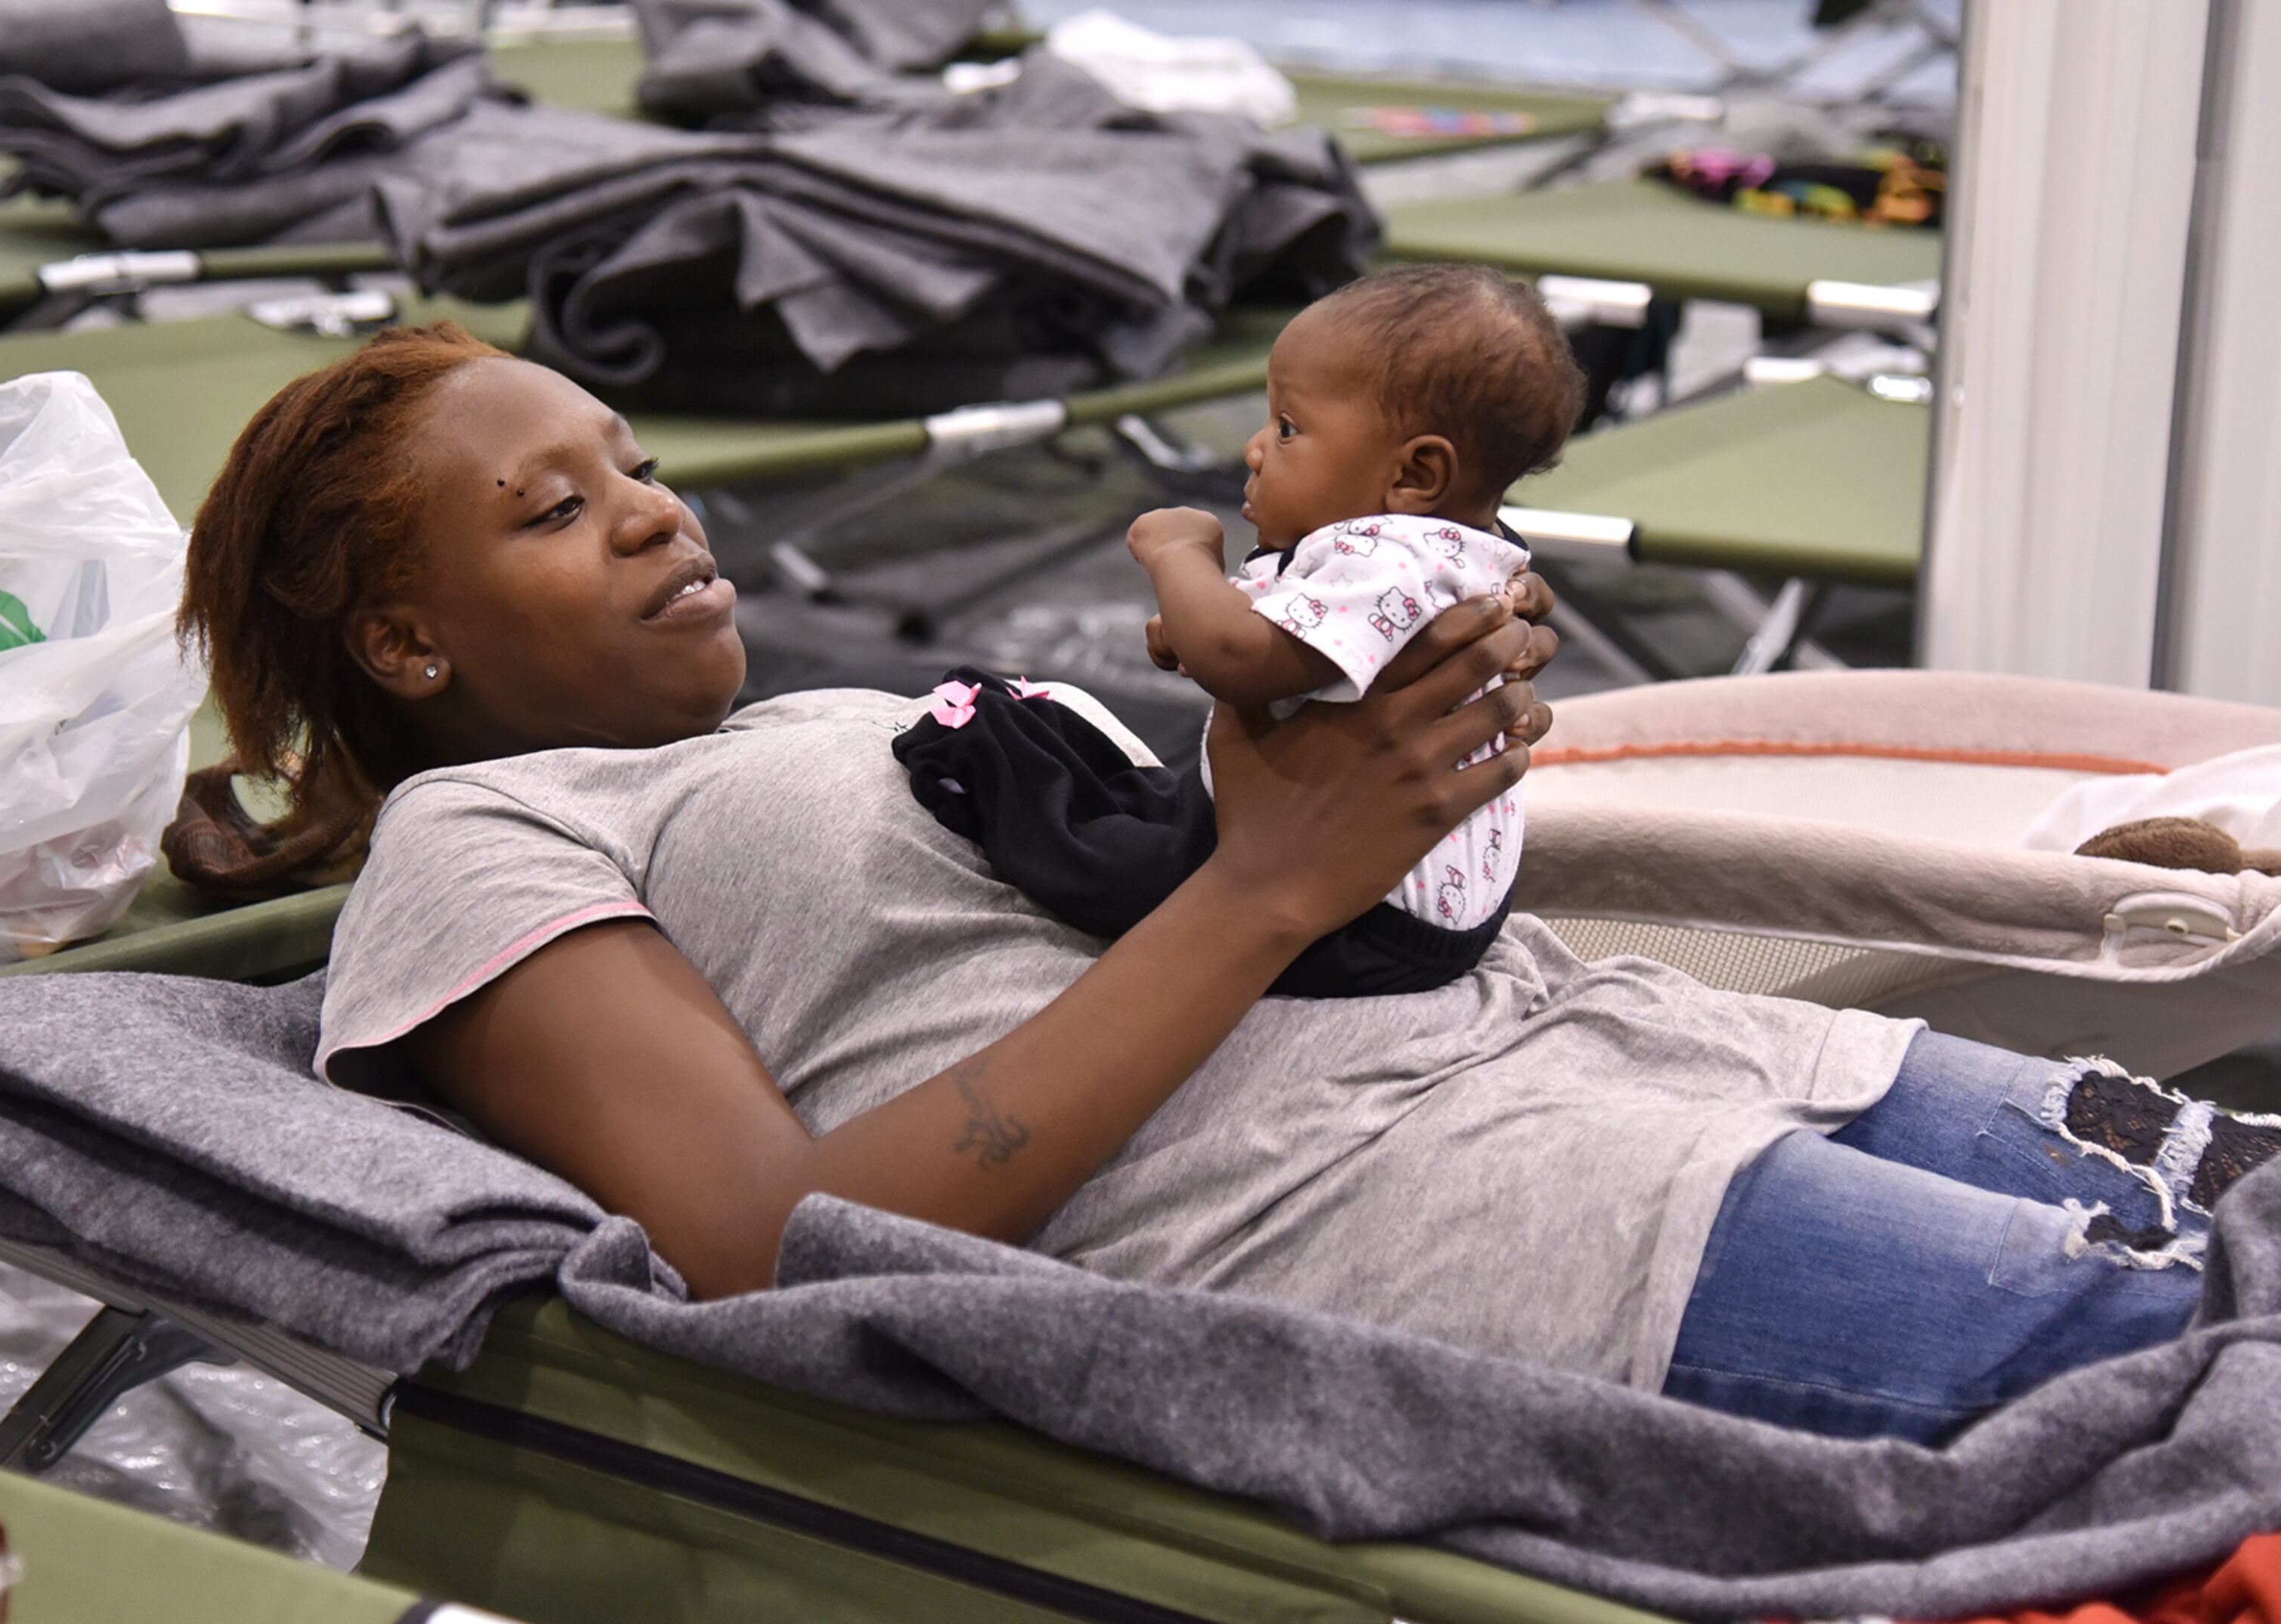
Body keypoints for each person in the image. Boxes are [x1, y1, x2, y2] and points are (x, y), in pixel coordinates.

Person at [177, 319, 2280, 1444]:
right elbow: (753, 1252)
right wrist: (1265, 885)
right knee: (2182, 1356)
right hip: (1500, 1221)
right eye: (556, 511)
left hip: (1650, 1057)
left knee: (2247, 1198)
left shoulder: (777, 732)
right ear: (405, 645)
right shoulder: (485, 847)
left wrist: (1401, 733)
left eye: (632, 462)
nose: (651, 515)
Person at [889, 265, 1571, 1001]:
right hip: (1414, 901)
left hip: (1354, 913)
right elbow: (1269, 637)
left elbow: (1240, 659)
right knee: (1142, 799)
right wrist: (1197, 622)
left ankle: (984, 769)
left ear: (1415, 474)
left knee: (1102, 865)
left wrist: (1179, 553)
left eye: (1288, 428)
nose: (1254, 448)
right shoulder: (1461, 551)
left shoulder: (1389, 558)